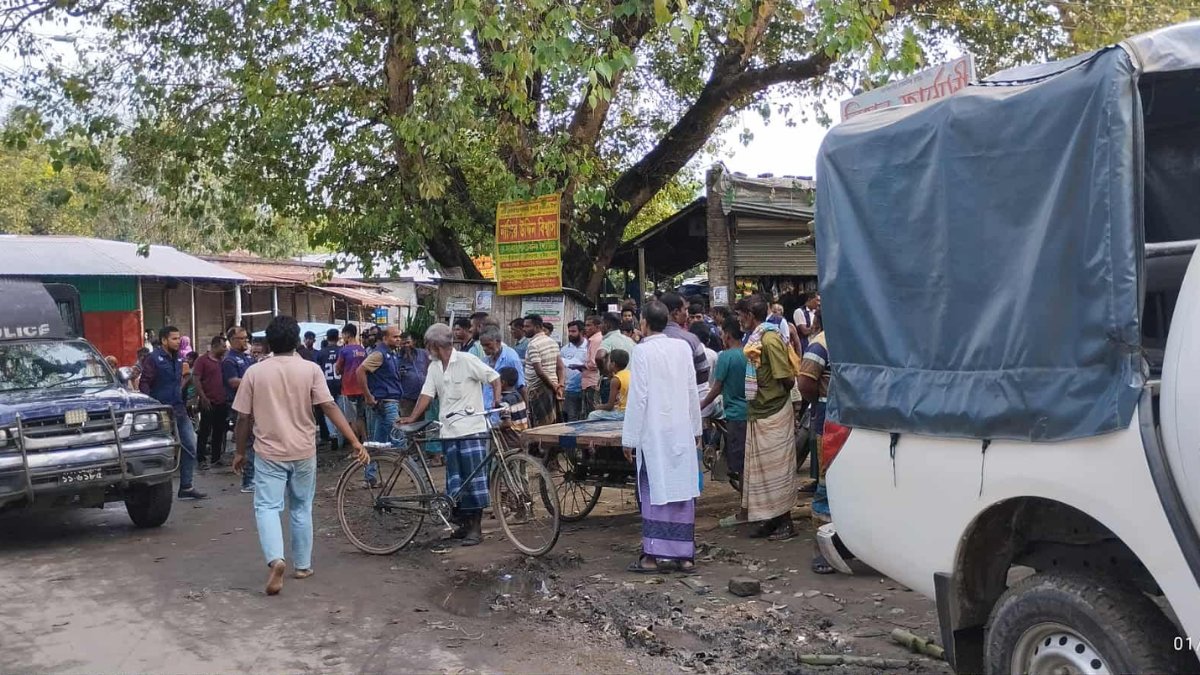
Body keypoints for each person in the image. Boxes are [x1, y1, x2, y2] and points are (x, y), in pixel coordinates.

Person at [231, 315, 367, 596]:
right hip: (304, 450)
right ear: (296, 341)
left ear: (268, 342)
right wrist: (354, 441)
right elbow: (329, 406)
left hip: (269, 452)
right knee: (301, 507)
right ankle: (303, 566)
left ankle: (276, 560)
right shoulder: (310, 369)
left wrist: (239, 452)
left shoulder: (255, 372)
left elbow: (243, 417)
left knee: (267, 507)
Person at [399, 323, 501, 547]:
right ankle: (463, 525)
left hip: (472, 430)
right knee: (456, 482)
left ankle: (476, 529)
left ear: (435, 345)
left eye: (428, 345)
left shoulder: (466, 360)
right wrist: (412, 417)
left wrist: (496, 400)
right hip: (449, 431)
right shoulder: (435, 367)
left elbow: (494, 378)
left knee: (474, 481)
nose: (427, 349)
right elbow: (426, 394)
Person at [621, 301, 702, 574]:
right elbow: (692, 390)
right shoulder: (682, 348)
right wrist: (697, 429)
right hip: (680, 430)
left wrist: (629, 438)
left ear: (643, 323)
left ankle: (652, 556)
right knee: (682, 492)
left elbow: (638, 397)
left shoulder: (642, 351)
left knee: (654, 492)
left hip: (654, 434)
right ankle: (685, 556)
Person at [740, 296, 798, 541]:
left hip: (773, 411)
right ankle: (773, 520)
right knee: (764, 472)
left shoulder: (769, 340)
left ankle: (786, 522)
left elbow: (787, 379)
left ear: (749, 315)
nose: (739, 320)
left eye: (741, 315)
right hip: (760, 411)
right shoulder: (756, 338)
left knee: (777, 471)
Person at [139, 326, 207, 500]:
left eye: (178, 338)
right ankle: (152, 491)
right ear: (164, 340)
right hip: (160, 414)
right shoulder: (153, 358)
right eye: (174, 339)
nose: (178, 341)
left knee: (190, 446)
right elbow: (144, 383)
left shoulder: (179, 359)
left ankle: (186, 487)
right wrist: (151, 407)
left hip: (179, 410)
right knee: (158, 450)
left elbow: (182, 380)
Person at [798, 311, 834, 574]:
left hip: (850, 422)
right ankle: (822, 551)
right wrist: (817, 403)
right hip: (827, 422)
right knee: (826, 485)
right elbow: (805, 383)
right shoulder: (820, 344)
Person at [702, 318, 748, 500]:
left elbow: (716, 388)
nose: (720, 337)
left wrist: (701, 405)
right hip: (751, 413)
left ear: (727, 335)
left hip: (735, 415)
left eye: (721, 334)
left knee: (742, 466)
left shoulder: (725, 357)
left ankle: (745, 506)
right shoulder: (748, 354)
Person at [224, 326, 257, 493]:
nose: (246, 341)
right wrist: (254, 381)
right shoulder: (229, 360)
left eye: (246, 338)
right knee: (247, 442)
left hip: (251, 404)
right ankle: (248, 481)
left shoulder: (247, 357)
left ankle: (254, 477)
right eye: (242, 338)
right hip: (238, 405)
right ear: (232, 341)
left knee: (254, 441)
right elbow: (233, 382)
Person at [358, 326, 404, 446]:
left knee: (380, 442)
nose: (398, 339)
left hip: (388, 403)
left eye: (399, 337)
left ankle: (374, 459)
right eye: (395, 337)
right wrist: (368, 396)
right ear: (384, 338)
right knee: (399, 440)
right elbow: (360, 371)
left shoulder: (391, 354)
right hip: (386, 404)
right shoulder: (379, 354)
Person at [522, 314, 565, 427]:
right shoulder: (552, 342)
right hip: (552, 386)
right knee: (553, 423)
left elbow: (540, 372)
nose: (524, 329)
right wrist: (560, 385)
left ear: (537, 327)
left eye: (527, 326)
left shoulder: (533, 345)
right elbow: (561, 367)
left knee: (541, 425)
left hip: (539, 388)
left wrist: (554, 387)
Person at [659, 292, 710, 386]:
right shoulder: (691, 339)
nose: (687, 314)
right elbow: (703, 373)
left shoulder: (646, 342)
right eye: (685, 309)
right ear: (676, 313)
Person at [194, 335, 229, 469]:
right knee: (204, 431)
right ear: (215, 346)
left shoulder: (222, 361)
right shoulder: (202, 360)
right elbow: (196, 379)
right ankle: (201, 459)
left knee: (219, 431)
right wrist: (203, 397)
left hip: (221, 401)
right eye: (223, 346)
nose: (225, 349)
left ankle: (216, 458)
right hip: (208, 402)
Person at [480, 324, 524, 420]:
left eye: (488, 345)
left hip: (505, 413)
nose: (484, 348)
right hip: (486, 410)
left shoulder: (511, 358)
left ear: (498, 342)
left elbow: (521, 386)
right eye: (482, 345)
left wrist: (525, 412)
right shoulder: (485, 361)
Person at [335, 324, 368, 440]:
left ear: (347, 334)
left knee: (351, 419)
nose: (342, 337)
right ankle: (365, 441)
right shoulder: (363, 350)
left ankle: (356, 445)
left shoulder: (344, 351)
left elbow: (338, 369)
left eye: (343, 334)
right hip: (362, 388)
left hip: (348, 389)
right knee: (360, 417)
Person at [314, 328, 343, 451]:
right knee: (341, 411)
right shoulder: (341, 351)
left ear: (327, 338)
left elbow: (317, 370)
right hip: (340, 384)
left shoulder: (321, 353)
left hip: (326, 384)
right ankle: (342, 436)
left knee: (328, 412)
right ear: (338, 338)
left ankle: (333, 434)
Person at [688, 321, 721, 417]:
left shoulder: (687, 353)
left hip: (691, 402)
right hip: (708, 401)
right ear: (708, 340)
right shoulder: (713, 355)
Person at [588, 349, 629, 421]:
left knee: (593, 415)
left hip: (622, 413)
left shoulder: (616, 380)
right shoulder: (629, 373)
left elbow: (609, 406)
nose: (606, 363)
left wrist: (598, 407)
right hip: (629, 410)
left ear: (613, 364)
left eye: (608, 361)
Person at [396, 331, 430, 418]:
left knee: (424, 423)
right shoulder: (396, 359)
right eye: (403, 343)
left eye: (408, 342)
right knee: (408, 423)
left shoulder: (423, 354)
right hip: (407, 400)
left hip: (424, 397)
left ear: (414, 342)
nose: (406, 345)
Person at [561, 320, 587, 421]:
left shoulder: (589, 346)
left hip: (586, 388)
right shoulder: (564, 349)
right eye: (569, 331)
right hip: (570, 389)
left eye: (573, 331)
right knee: (572, 417)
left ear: (581, 332)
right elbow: (561, 368)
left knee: (585, 416)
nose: (570, 334)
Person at [496, 366, 528, 449]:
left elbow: (507, 423)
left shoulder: (505, 401)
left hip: (512, 440)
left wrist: (495, 426)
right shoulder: (519, 396)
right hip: (523, 437)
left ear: (502, 383)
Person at [580, 315, 604, 416]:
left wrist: (581, 365)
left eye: (589, 325)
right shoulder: (593, 339)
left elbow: (594, 363)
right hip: (590, 381)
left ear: (597, 327)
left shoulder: (596, 340)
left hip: (592, 382)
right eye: (585, 325)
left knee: (592, 414)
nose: (586, 328)